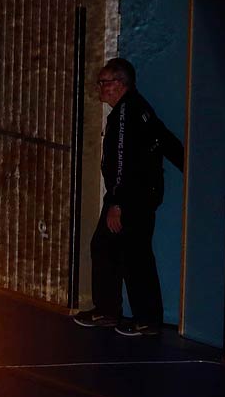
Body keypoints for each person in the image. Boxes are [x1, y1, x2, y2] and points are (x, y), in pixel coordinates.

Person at [75, 57, 185, 336]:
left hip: (131, 199)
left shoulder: (126, 114)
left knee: (128, 253)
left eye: (105, 83)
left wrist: (117, 203)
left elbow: (122, 161)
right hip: (140, 196)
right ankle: (117, 311)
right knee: (115, 249)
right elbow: (164, 139)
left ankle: (139, 316)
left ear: (120, 84)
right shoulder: (140, 108)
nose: (101, 88)